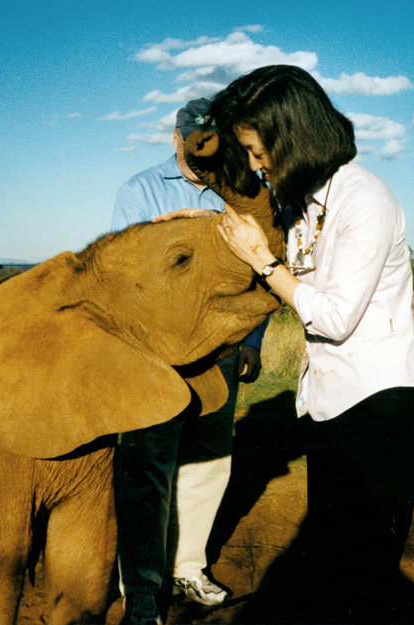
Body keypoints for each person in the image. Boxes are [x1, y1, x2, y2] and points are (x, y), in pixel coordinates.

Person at [190, 64, 414, 623]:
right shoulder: (304, 205)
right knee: (331, 572)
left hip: (381, 409)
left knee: (363, 583)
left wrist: (265, 261)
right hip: (328, 405)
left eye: (257, 150)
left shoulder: (363, 199)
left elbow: (335, 316)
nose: (256, 164)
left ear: (290, 134)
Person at [113, 98, 268, 625]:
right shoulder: (140, 190)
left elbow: (257, 268)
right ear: (176, 138)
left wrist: (253, 338)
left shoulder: (241, 190)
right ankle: (140, 589)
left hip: (219, 353)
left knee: (208, 462)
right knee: (147, 468)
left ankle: (188, 566)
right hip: (158, 354)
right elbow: (126, 273)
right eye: (194, 139)